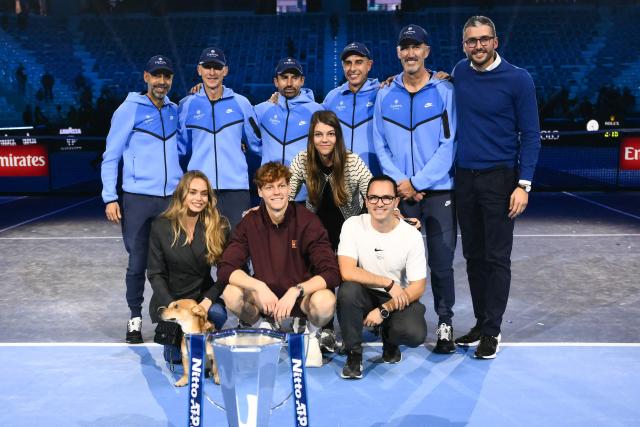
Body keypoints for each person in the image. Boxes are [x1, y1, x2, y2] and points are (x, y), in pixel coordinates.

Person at [453, 16, 540, 359]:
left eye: (484, 39)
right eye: (471, 41)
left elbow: (531, 135)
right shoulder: (459, 72)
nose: (478, 46)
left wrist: (524, 184)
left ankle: (493, 330)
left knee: (496, 257)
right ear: (464, 45)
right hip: (464, 178)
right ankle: (480, 322)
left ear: (496, 41)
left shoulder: (519, 79)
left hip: (501, 179)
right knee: (473, 256)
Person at [373, 24, 458, 354]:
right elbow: (380, 145)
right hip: (399, 193)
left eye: (416, 47)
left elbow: (448, 144)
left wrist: (418, 182)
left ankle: (445, 323)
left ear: (426, 52)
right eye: (405, 47)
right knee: (394, 266)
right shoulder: (385, 93)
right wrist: (401, 185)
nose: (410, 53)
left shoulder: (444, 92)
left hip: (437, 192)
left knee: (440, 263)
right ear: (398, 53)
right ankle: (392, 330)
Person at [216, 162, 341, 367]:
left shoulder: (308, 221)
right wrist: (258, 286)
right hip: (266, 300)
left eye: (281, 186)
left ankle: (309, 333)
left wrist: (296, 291)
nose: (276, 192)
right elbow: (226, 267)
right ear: (260, 191)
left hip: (300, 299)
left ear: (289, 188)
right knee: (231, 293)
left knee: (325, 300)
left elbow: (331, 272)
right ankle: (263, 327)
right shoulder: (250, 222)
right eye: (269, 187)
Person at [101, 55, 183, 343]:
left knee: (172, 264)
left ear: (171, 80)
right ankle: (134, 318)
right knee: (137, 262)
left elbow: (181, 146)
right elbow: (110, 156)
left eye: (167, 76)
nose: (162, 81)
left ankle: (166, 322)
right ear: (146, 77)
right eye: (156, 76)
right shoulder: (128, 110)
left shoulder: (174, 110)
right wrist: (110, 197)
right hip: (137, 200)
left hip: (171, 200)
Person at [337, 175, 428, 379]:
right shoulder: (352, 225)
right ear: (366, 201)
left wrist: (384, 310)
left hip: (396, 298)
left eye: (386, 198)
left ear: (396, 201)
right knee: (347, 291)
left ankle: (390, 340)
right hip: (366, 292)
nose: (380, 203)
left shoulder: (410, 235)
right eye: (374, 198)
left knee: (414, 333)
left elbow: (418, 287)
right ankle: (353, 355)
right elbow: (347, 271)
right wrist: (387, 283)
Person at [147, 171, 229, 362]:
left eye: (203, 193)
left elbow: (227, 270)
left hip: (202, 297)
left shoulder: (219, 225)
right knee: (175, 359)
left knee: (217, 313)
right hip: (171, 298)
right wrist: (172, 306)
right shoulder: (161, 226)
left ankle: (207, 345)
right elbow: (155, 274)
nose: (198, 198)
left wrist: (208, 301)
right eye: (192, 192)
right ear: (182, 194)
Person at [178, 47, 262, 229]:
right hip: (199, 190)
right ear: (199, 70)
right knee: (200, 250)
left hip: (235, 190)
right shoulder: (187, 105)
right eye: (207, 67)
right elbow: (180, 148)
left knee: (237, 248)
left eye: (217, 67)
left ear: (225, 70)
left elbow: (257, 144)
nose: (212, 72)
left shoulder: (242, 103)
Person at [289, 110, 372, 251]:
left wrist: (394, 212)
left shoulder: (352, 160)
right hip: (316, 231)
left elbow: (373, 193)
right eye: (318, 134)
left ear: (337, 137)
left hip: (350, 232)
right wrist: (264, 211)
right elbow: (286, 193)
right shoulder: (302, 159)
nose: (324, 140)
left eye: (330, 134)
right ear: (311, 137)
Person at [254, 57, 323, 202]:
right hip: (270, 193)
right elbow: (250, 142)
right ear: (276, 81)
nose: (290, 83)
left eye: (295, 78)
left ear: (302, 81)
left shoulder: (317, 111)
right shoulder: (261, 110)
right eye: (284, 78)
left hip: (304, 195)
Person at [323, 42, 381, 176]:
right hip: (340, 180)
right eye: (348, 63)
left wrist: (436, 76)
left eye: (358, 62)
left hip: (375, 178)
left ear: (369, 65)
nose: (352, 68)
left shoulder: (382, 93)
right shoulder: (332, 97)